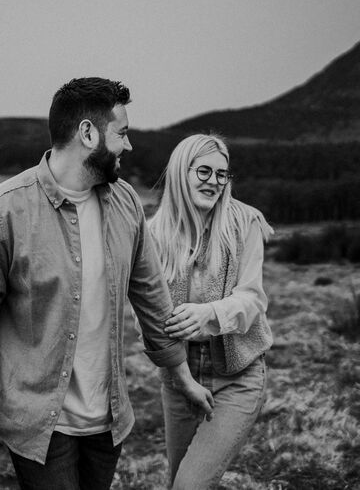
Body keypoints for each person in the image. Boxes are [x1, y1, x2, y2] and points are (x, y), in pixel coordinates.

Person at [0, 78, 213, 490]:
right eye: (123, 133)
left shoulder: (126, 202)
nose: (129, 146)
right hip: (40, 425)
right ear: (87, 133)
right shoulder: (9, 211)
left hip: (109, 422)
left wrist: (182, 376)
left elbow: (152, 295)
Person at [148, 134, 273, 489]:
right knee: (178, 481)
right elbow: (148, 318)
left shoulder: (244, 223)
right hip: (178, 379)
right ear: (180, 172)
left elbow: (252, 299)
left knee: (189, 486)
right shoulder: (153, 235)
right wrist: (182, 377)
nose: (214, 182)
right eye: (204, 171)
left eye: (222, 174)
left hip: (238, 376)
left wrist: (210, 315)